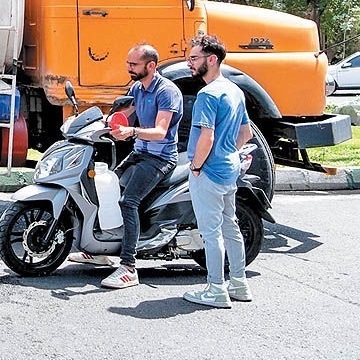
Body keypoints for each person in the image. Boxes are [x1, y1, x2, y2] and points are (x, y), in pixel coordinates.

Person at [72, 43, 184, 288]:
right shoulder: (137, 87)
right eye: (128, 63)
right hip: (140, 152)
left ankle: (129, 267)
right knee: (105, 190)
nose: (128, 68)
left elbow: (160, 131)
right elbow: (123, 111)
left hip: (160, 157)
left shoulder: (167, 92)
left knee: (128, 201)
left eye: (133, 64)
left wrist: (131, 131)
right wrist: (101, 122)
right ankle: (101, 250)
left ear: (151, 66)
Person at [183, 34, 254, 308]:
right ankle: (239, 283)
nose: (190, 63)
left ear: (211, 60)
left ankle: (216, 289)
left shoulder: (207, 94)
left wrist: (197, 166)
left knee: (211, 233)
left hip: (209, 172)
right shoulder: (234, 90)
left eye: (194, 58)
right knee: (230, 226)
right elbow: (245, 133)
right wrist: (227, 153)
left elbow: (206, 137)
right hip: (229, 169)